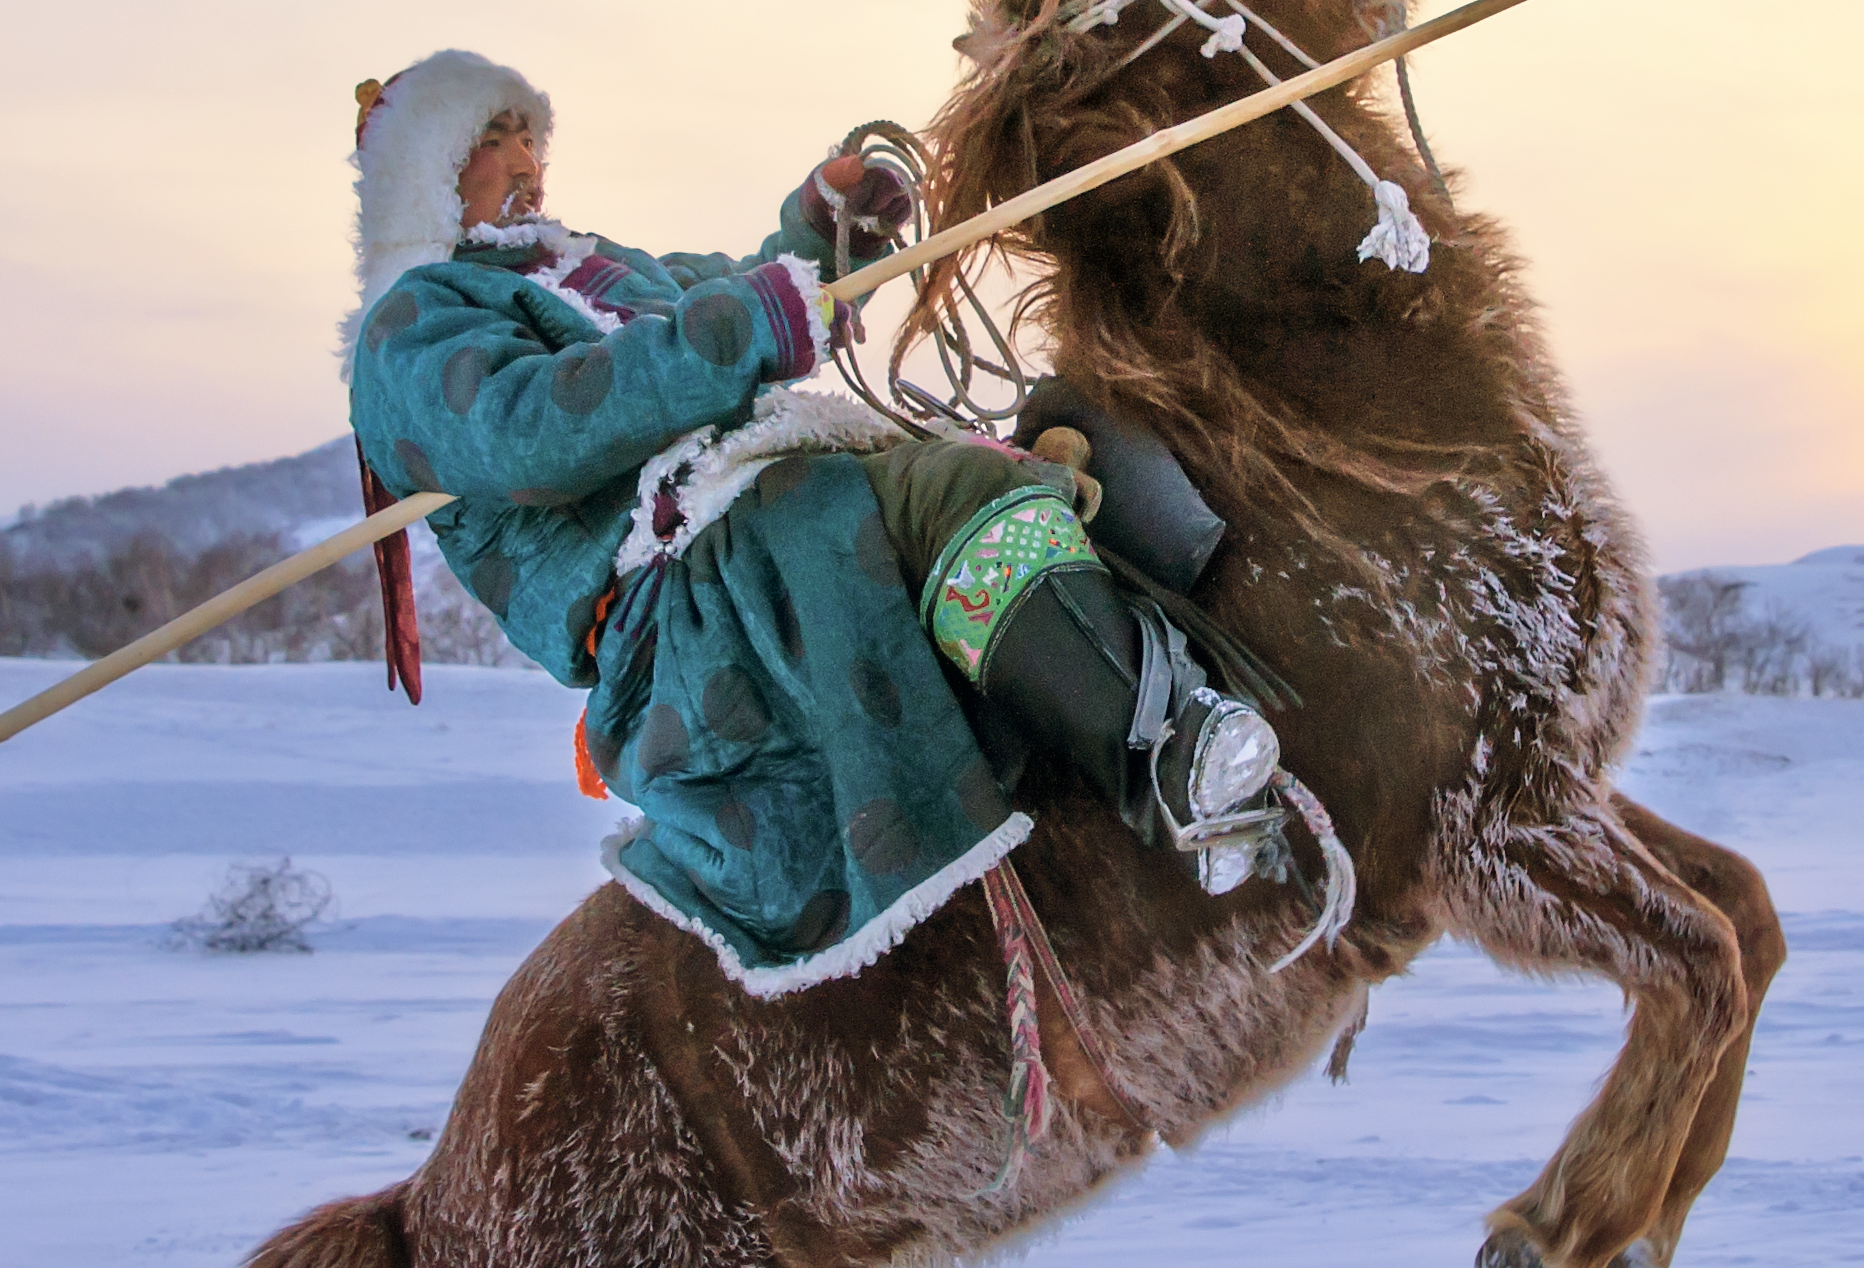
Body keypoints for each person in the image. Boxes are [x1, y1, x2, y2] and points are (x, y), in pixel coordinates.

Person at [343, 49, 1287, 996]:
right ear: (427, 178)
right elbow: (529, 430)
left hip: (766, 504)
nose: (524, 161)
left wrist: (828, 229)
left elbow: (750, 288)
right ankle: (1169, 763)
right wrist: (739, 326)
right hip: (677, 592)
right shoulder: (410, 330)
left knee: (1052, 448)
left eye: (526, 137)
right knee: (958, 489)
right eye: (490, 143)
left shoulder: (600, 270)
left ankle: (1208, 658)